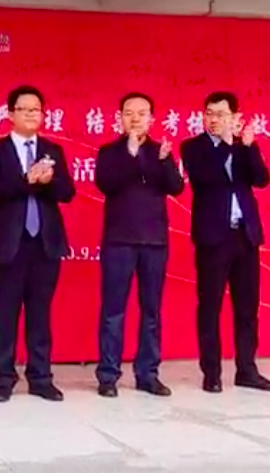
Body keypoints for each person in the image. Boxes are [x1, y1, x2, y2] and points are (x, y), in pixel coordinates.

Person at [0, 85, 76, 402]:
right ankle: (4, 378)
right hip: (10, 244)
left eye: (37, 109)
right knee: (6, 314)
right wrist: (27, 181)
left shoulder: (52, 150)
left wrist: (48, 181)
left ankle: (41, 377)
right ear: (11, 114)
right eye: (25, 109)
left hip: (45, 243)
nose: (32, 114)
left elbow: (67, 192)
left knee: (40, 314)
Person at [180, 91, 270, 394]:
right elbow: (205, 178)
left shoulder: (243, 146)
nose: (214, 119)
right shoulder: (193, 147)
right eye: (209, 113)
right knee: (210, 306)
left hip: (245, 236)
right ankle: (211, 372)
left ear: (235, 116)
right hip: (213, 238)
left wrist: (247, 147)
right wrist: (226, 143)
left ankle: (247, 369)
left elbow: (261, 179)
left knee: (247, 308)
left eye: (221, 114)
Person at [94, 92, 184, 397]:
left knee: (151, 311)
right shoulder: (109, 152)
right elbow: (107, 184)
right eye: (129, 113)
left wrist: (166, 163)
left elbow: (176, 187)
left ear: (152, 119)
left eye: (142, 113)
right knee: (113, 310)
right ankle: (108, 375)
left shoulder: (160, 151)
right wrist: (131, 154)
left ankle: (148, 374)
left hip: (154, 241)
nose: (135, 119)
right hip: (119, 240)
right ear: (119, 118)